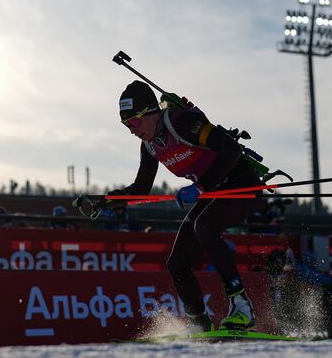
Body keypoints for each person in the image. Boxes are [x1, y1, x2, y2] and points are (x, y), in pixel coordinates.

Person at [96, 80, 264, 331]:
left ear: (150, 113)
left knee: (204, 226)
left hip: (242, 185)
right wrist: (109, 199)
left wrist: (199, 187)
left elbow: (231, 149)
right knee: (177, 262)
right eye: (125, 125)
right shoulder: (150, 146)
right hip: (212, 195)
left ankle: (242, 307)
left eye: (133, 122)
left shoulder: (181, 123)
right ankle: (199, 323)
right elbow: (141, 189)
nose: (131, 130)